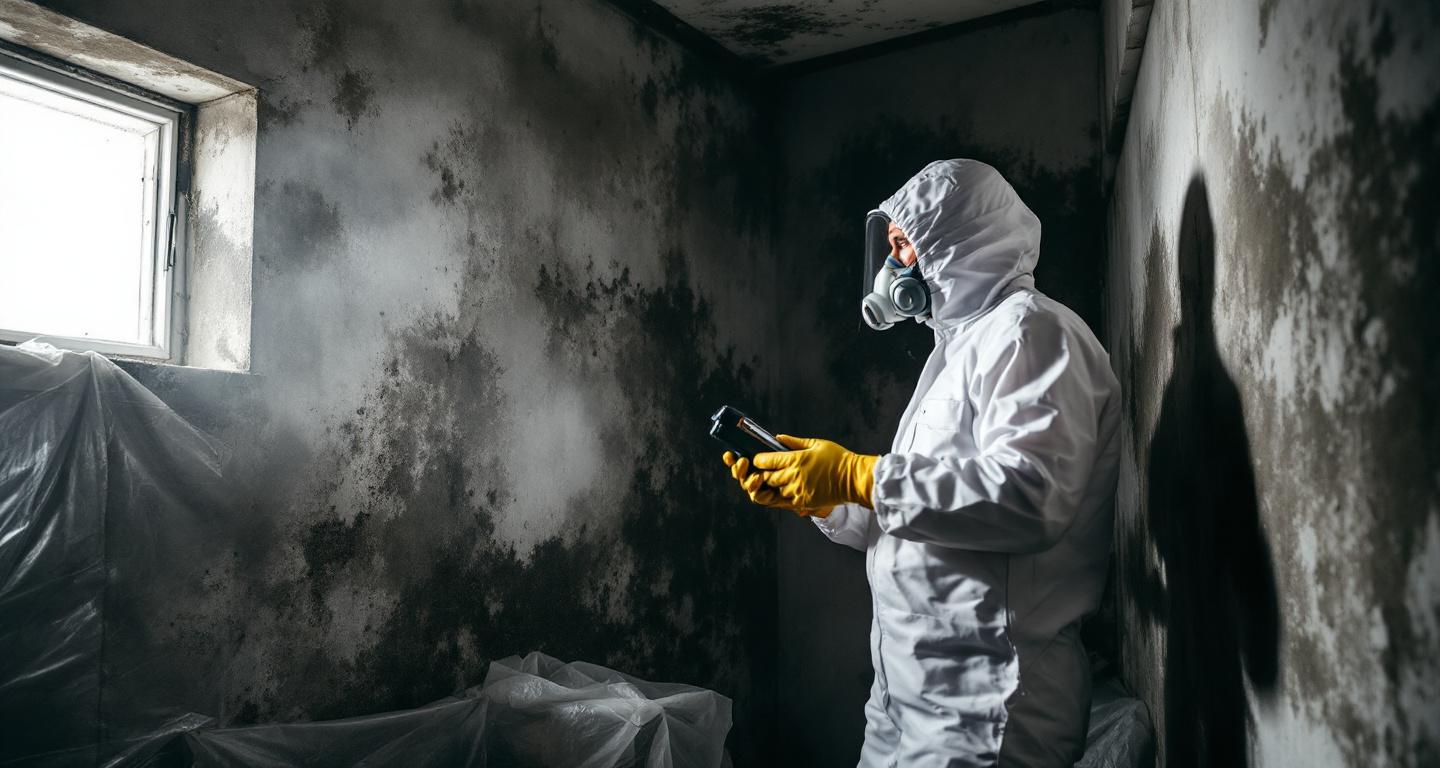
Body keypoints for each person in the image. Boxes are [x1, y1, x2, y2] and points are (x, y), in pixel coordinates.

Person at [723, 159, 1120, 767]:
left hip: (988, 709)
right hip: (906, 699)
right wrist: (828, 499)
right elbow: (914, 519)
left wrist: (861, 475)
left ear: (958, 243)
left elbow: (1030, 499)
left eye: (904, 244)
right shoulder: (957, 350)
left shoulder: (1031, 334)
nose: (891, 267)